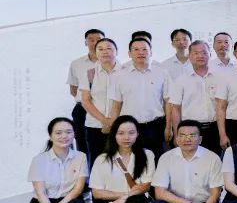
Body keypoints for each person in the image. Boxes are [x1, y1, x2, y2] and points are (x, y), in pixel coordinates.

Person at [147, 120, 223, 203]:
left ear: (200, 139)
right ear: (176, 139)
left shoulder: (212, 158)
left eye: (192, 135)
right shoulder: (166, 157)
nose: (187, 139)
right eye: (182, 135)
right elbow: (159, 193)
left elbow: (215, 194)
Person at [89, 115, 155, 203]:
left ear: (138, 134)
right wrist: (121, 197)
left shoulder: (147, 154)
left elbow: (146, 186)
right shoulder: (102, 159)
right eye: (121, 133)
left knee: (136, 202)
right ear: (114, 135)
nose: (126, 137)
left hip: (137, 202)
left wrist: (125, 197)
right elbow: (97, 193)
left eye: (131, 133)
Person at [27, 118, 90, 203]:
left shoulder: (81, 157)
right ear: (50, 136)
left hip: (67, 201)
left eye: (68, 132)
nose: (64, 136)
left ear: (74, 134)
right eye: (58, 133)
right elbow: (41, 193)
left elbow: (78, 189)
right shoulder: (39, 160)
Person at [108, 38, 169, 155]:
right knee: (132, 160)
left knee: (157, 158)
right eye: (136, 49)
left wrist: (168, 127)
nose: (140, 52)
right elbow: (116, 105)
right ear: (129, 54)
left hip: (155, 126)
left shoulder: (162, 72)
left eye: (144, 49)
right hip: (129, 128)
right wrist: (114, 129)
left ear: (151, 52)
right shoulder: (119, 75)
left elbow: (168, 102)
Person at [169, 40, 224, 152]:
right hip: (189, 130)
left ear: (210, 54)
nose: (200, 56)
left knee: (214, 160)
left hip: (214, 129)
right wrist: (177, 134)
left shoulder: (219, 77)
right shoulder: (181, 79)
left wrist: (222, 134)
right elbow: (176, 109)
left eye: (204, 52)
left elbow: (222, 107)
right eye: (196, 53)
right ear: (189, 56)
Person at [79, 38, 120, 174]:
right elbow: (86, 101)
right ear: (96, 53)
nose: (105, 52)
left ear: (116, 51)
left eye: (109, 48)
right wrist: (104, 121)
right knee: (97, 163)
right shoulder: (89, 73)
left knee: (120, 164)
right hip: (95, 126)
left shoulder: (125, 72)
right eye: (100, 49)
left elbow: (125, 99)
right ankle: (97, 189)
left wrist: (112, 122)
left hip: (120, 127)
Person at [67, 29, 105, 163]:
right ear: (85, 42)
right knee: (82, 144)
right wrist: (85, 99)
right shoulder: (76, 63)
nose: (94, 42)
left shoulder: (112, 61)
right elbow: (73, 89)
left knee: (102, 145)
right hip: (82, 109)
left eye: (98, 39)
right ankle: (83, 174)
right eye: (91, 39)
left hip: (103, 108)